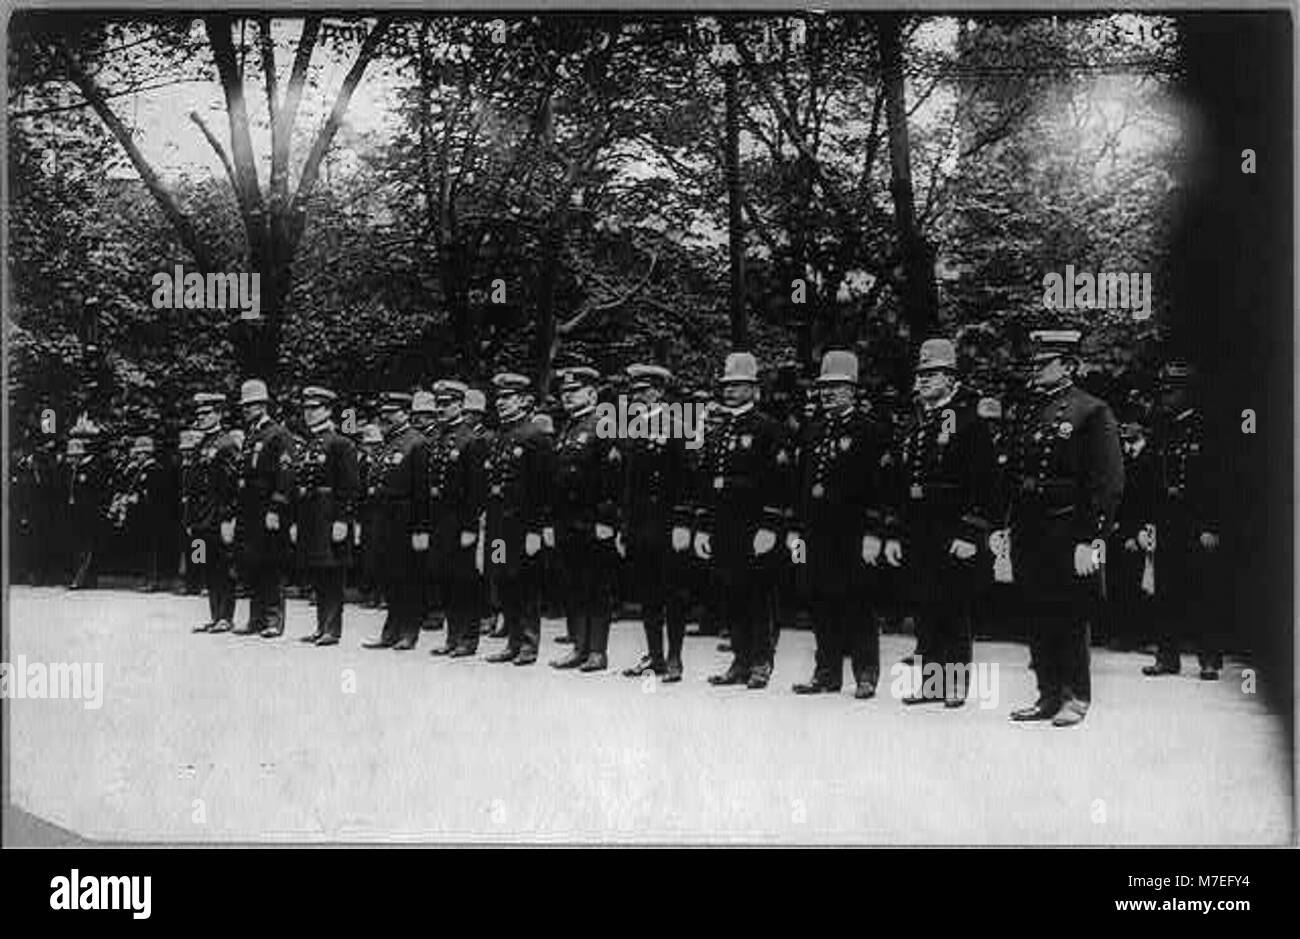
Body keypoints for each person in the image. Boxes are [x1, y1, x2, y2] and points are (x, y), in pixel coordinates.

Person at [1006, 330, 1124, 728]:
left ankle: (1075, 697)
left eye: (1046, 362)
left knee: (1070, 616)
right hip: (1031, 529)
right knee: (1036, 614)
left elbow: (1106, 482)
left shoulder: (1092, 412)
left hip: (1067, 528)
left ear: (1069, 366)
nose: (1037, 368)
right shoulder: (1028, 411)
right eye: (1036, 362)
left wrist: (1091, 539)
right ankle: (1047, 694)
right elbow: (1015, 474)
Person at [789, 350, 896, 699]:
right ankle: (826, 671)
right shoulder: (814, 430)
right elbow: (802, 484)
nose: (828, 393)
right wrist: (796, 529)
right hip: (817, 530)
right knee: (820, 601)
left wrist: (875, 532)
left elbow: (881, 490)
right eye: (823, 387)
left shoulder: (870, 431)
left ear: (853, 390)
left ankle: (865, 672)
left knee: (858, 603)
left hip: (852, 531)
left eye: (836, 387)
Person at [894, 339, 996, 707]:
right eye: (921, 374)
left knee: (953, 608)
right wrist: (895, 530)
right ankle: (930, 682)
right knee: (924, 608)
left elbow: (985, 483)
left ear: (951, 378)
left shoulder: (970, 421)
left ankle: (955, 683)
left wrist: (971, 530)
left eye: (932, 374)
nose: (923, 381)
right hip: (919, 528)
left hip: (953, 528)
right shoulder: (917, 422)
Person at [695, 352, 790, 689]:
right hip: (723, 525)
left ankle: (762, 660)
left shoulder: (768, 428)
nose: (730, 390)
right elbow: (707, 482)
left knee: (758, 596)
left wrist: (770, 526)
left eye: (738, 385)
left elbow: (779, 483)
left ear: (754, 388)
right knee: (731, 593)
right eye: (727, 384)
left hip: (753, 526)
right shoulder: (719, 429)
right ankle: (740, 658)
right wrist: (703, 527)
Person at [1140, 359, 1224, 679]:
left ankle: (1209, 658)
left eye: (1173, 391)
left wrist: (1211, 525)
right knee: (1166, 588)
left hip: (1196, 520)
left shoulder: (1208, 429)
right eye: (1165, 391)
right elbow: (1149, 481)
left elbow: (1220, 482)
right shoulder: (1162, 429)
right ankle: (1167, 655)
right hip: (1168, 518)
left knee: (1202, 590)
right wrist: (1146, 524)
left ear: (1188, 393)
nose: (1167, 398)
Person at [549, 366, 620, 672]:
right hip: (568, 520)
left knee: (596, 587)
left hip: (593, 519)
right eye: (564, 392)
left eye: (574, 391)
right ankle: (579, 646)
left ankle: (597, 651)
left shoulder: (604, 424)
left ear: (592, 393)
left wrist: (607, 519)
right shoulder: (567, 426)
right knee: (573, 586)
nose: (566, 396)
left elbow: (613, 476)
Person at [482, 373, 555, 666]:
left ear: (524, 401)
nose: (501, 403)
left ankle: (528, 643)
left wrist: (536, 529)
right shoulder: (500, 437)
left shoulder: (535, 437)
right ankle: (512, 640)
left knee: (525, 582)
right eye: (498, 398)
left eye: (507, 398)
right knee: (503, 579)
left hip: (523, 526)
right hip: (500, 526)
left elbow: (543, 488)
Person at [289, 387, 360, 646]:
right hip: (311, 514)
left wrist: (343, 519)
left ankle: (332, 628)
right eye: (306, 409)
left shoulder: (341, 443)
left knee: (332, 573)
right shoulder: (308, 444)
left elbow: (350, 486)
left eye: (315, 408)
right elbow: (300, 485)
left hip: (329, 514)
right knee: (319, 572)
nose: (309, 414)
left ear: (328, 410)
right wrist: (296, 520)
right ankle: (321, 626)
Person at [425, 379, 489, 658]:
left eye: (447, 404)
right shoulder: (439, 438)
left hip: (460, 519)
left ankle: (468, 638)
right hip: (440, 519)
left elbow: (476, 489)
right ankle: (452, 636)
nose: (441, 409)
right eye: (438, 404)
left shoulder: (470, 440)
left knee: (465, 581)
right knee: (447, 580)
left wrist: (470, 526)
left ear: (460, 406)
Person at [361, 392, 430, 650]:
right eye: (383, 413)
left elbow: (422, 490)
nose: (386, 417)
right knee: (389, 576)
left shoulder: (416, 443)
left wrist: (421, 528)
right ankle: (391, 630)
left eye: (392, 412)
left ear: (405, 413)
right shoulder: (388, 443)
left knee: (409, 577)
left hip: (406, 519)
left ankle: (409, 632)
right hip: (384, 518)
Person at [234, 379, 294, 638]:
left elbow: (285, 473)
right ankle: (256, 618)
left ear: (263, 405)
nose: (247, 409)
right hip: (250, 509)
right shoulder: (251, 436)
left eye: (253, 404)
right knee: (253, 563)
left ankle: (273, 619)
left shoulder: (278, 434)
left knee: (271, 564)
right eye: (245, 405)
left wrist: (276, 507)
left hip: (268, 507)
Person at [185, 393, 240, 632]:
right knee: (208, 565)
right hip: (201, 516)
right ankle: (215, 614)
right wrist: (190, 517)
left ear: (218, 414)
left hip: (218, 515)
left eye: (206, 413)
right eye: (199, 414)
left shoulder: (226, 443)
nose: (202, 418)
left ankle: (225, 616)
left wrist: (229, 517)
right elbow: (192, 486)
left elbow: (231, 485)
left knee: (223, 566)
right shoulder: (201, 445)